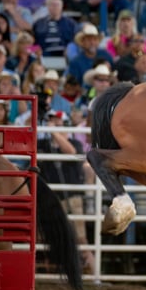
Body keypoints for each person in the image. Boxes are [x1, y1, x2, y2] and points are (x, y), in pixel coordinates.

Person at [37, 109, 96, 276]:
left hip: (72, 196)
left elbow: (70, 152)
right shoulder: (43, 145)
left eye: (58, 121)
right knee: (51, 237)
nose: (54, 124)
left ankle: (95, 276)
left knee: (81, 238)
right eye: (52, 121)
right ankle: (54, 274)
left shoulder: (74, 143)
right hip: (52, 198)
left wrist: (53, 132)